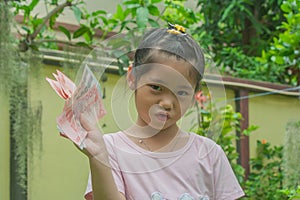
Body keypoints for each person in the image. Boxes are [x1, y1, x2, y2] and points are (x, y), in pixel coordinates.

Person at [78, 24, 245, 200]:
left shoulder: (209, 154)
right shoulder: (110, 149)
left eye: (181, 92)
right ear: (132, 77)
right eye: (156, 87)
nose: (166, 103)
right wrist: (98, 157)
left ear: (195, 94)